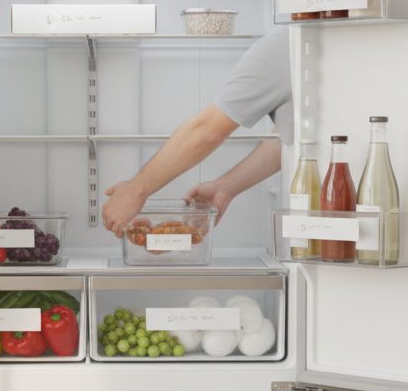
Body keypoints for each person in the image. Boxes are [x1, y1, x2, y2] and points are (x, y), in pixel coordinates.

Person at [100, 29, 294, 237]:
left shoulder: (281, 48)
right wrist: (225, 188)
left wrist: (135, 190)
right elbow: (289, 139)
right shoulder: (296, 45)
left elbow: (208, 129)